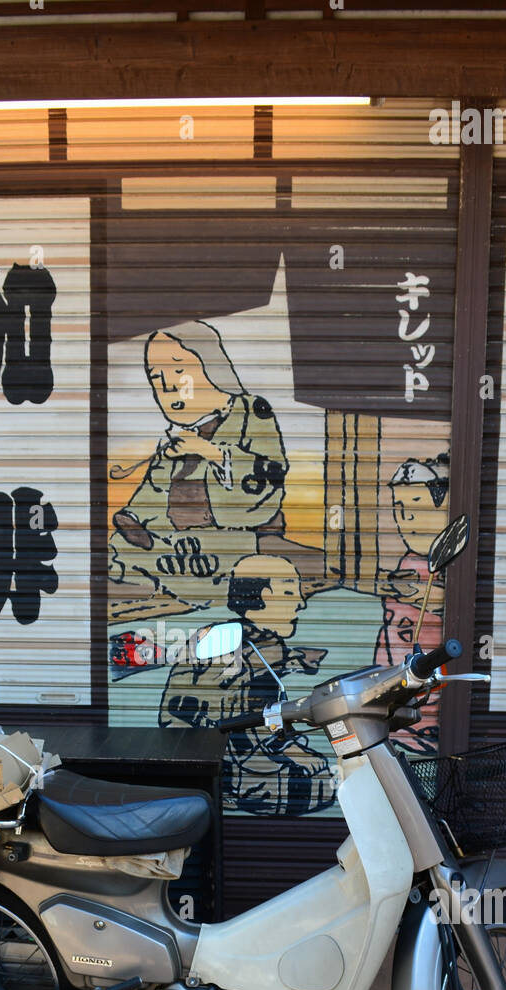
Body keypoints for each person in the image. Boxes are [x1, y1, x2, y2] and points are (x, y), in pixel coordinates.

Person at [109, 322, 289, 607]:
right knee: (118, 553)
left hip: (227, 543)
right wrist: (135, 519)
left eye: (179, 370)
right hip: (176, 546)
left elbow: (270, 474)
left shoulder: (251, 411)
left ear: (210, 364)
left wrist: (211, 452)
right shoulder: (176, 438)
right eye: (156, 377)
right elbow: (155, 490)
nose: (167, 386)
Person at [160, 555, 335, 816]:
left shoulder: (224, 634)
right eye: (290, 592)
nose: (301, 603)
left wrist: (292, 659)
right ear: (263, 596)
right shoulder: (264, 649)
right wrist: (295, 751)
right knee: (323, 783)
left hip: (191, 758)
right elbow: (249, 721)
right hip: (227, 767)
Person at [375, 453, 449, 749]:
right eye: (399, 508)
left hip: (423, 719)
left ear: (440, 503)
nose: (405, 519)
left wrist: (421, 596)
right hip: (389, 712)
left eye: (415, 505)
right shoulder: (410, 561)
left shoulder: (446, 564)